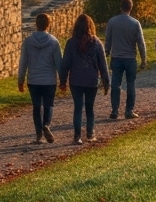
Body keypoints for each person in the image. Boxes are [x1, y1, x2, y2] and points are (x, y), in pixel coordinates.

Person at [58, 14, 110, 144]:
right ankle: (90, 134)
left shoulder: (71, 43)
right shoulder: (97, 43)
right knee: (90, 108)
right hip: (91, 80)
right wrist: (106, 82)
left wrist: (63, 80)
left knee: (78, 107)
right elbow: (103, 65)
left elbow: (65, 64)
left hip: (76, 80)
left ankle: (77, 136)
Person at [17, 12, 62, 144]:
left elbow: (23, 61)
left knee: (36, 107)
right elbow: (59, 62)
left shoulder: (28, 41)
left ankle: (38, 135)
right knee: (48, 105)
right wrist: (63, 80)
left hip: (33, 80)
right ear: (48, 25)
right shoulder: (54, 42)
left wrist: (21, 80)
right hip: (49, 80)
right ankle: (46, 125)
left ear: (36, 24)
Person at [104, 0, 148, 119]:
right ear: (130, 8)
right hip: (130, 58)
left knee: (115, 84)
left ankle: (114, 110)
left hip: (116, 57)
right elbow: (140, 43)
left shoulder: (112, 22)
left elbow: (108, 39)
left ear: (120, 7)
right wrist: (144, 58)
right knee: (130, 84)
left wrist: (106, 52)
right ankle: (129, 110)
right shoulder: (135, 23)